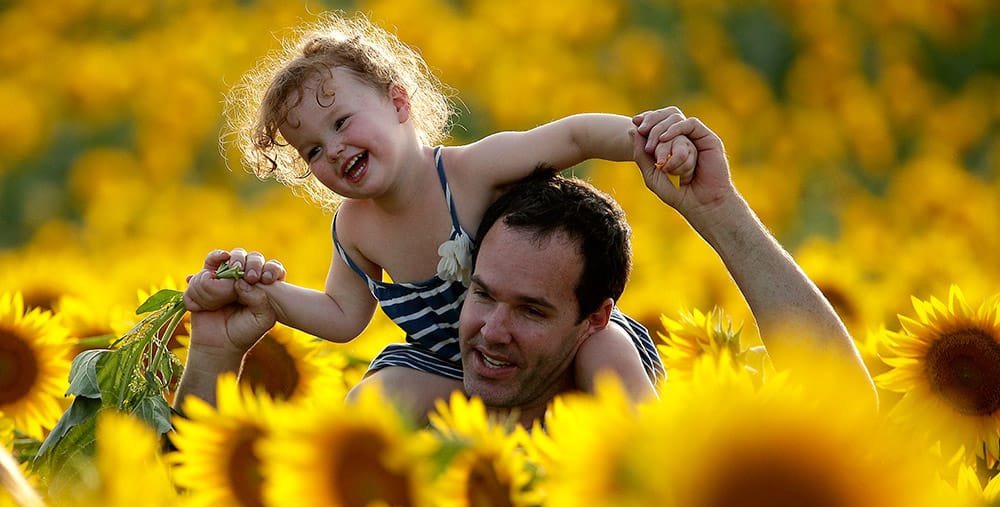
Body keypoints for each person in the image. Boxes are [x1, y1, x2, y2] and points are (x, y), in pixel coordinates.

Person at [176, 111, 877, 426]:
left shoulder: (620, 406)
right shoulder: (407, 416)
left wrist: (715, 206)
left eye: (534, 309)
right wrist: (211, 354)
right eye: (480, 292)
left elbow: (846, 414)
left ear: (594, 317)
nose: (490, 330)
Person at [185, 11, 695, 420]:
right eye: (312, 150)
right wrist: (264, 292)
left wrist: (648, 139)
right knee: (370, 403)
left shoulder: (470, 171)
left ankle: (650, 455)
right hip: (449, 366)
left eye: (342, 122)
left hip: (551, 346)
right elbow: (341, 318)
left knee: (605, 349)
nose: (334, 150)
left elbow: (574, 137)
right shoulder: (354, 227)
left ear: (399, 103)